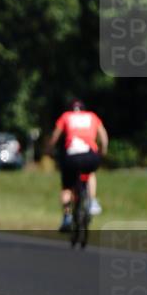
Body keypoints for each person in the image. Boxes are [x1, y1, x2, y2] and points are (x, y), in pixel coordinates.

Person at [48, 99, 108, 231]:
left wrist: (49, 150)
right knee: (90, 172)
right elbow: (103, 136)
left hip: (71, 157)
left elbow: (55, 136)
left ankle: (67, 218)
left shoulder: (66, 116)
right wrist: (103, 152)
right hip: (89, 155)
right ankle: (92, 202)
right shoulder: (92, 116)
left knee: (67, 187)